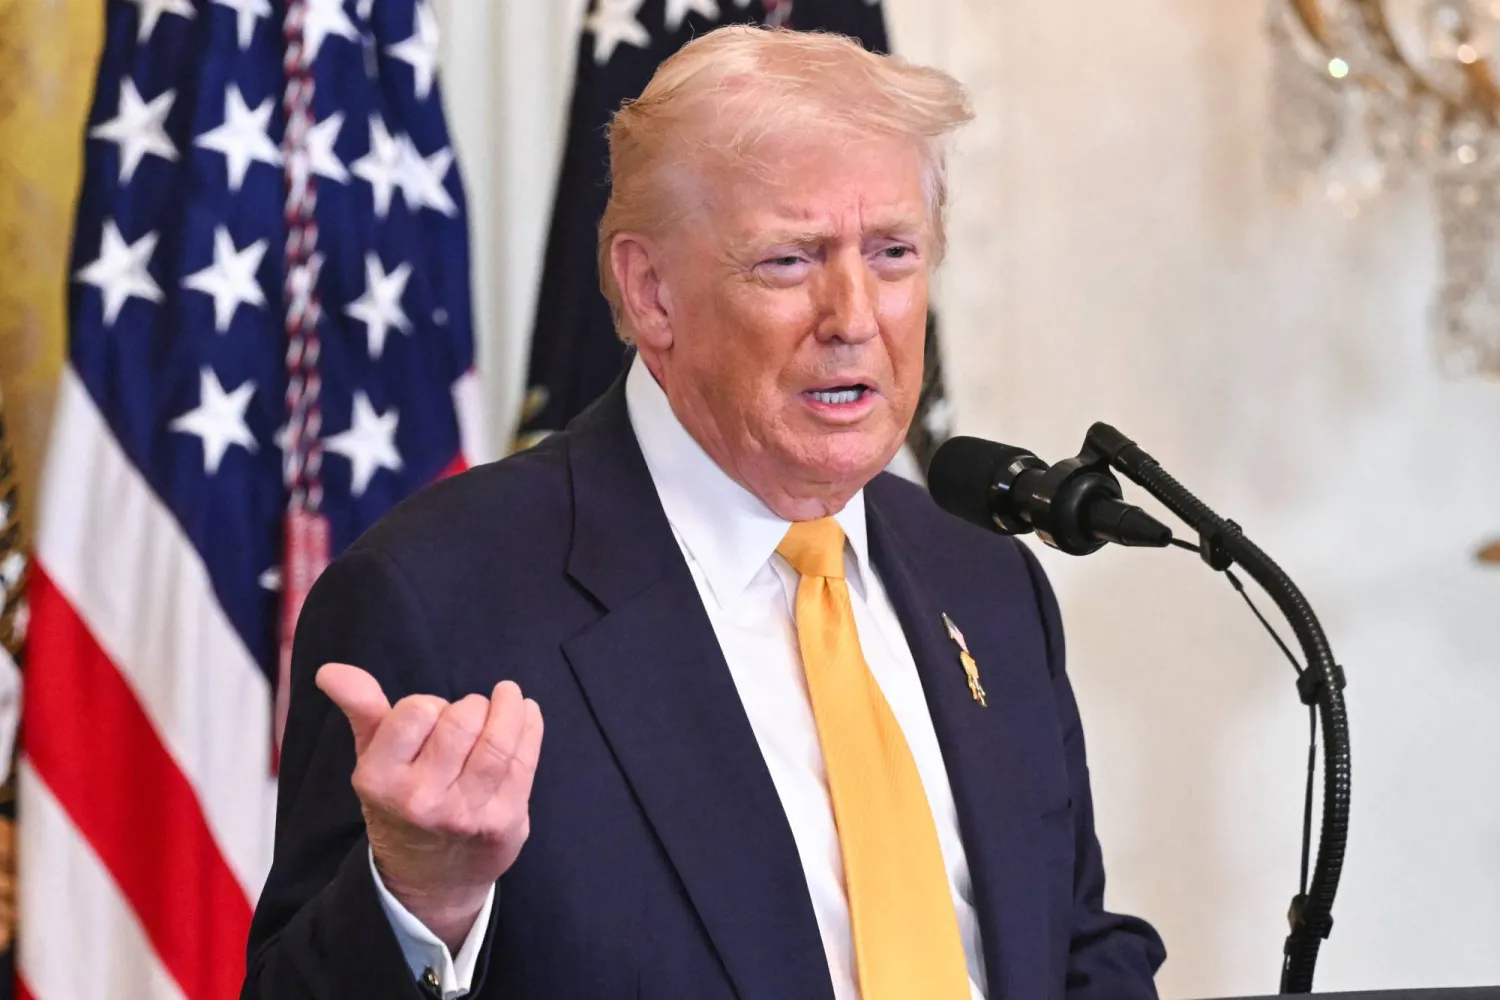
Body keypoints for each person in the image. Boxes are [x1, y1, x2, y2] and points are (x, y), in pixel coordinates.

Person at [243, 25, 1165, 1000]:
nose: (855, 315)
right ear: (651, 292)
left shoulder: (986, 582)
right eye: (789, 260)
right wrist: (422, 902)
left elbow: (1068, 941)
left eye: (893, 252)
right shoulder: (437, 598)